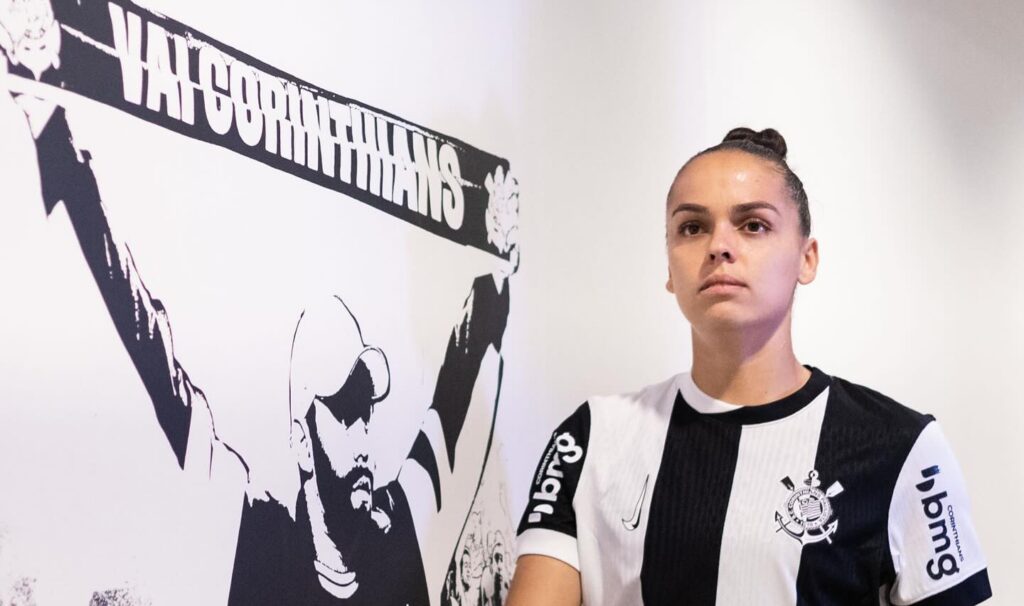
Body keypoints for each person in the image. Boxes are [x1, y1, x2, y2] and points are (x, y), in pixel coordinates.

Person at [11, 90, 517, 604]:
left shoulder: (399, 530)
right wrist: (57, 142)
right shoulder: (257, 540)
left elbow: (452, 397)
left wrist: (497, 272)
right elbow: (153, 355)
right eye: (344, 415)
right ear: (302, 442)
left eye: (366, 414)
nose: (364, 440)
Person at [507, 128, 992, 605]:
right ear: (669, 268)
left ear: (807, 259)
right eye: (692, 227)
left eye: (753, 225)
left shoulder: (901, 447)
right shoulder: (593, 438)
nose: (719, 246)